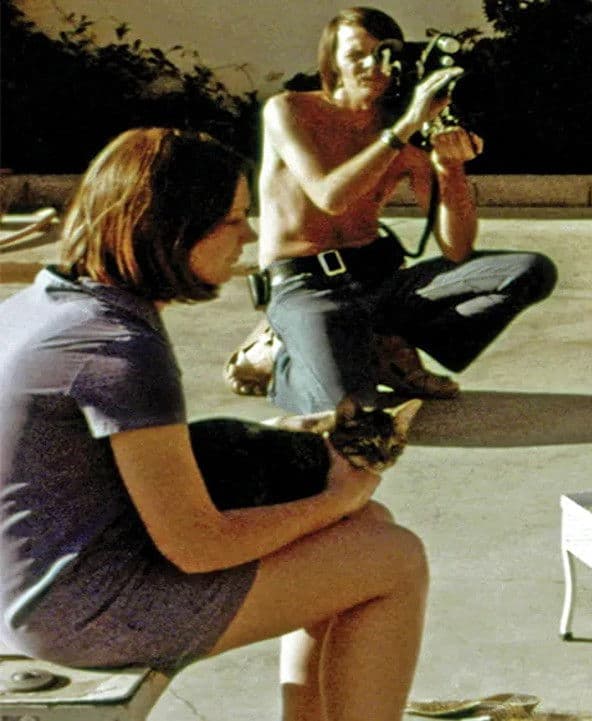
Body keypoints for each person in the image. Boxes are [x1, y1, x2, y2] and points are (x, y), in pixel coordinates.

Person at [0, 128, 428, 721]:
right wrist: (339, 495)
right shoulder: (119, 346)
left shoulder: (46, 303)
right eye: (232, 219)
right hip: (76, 614)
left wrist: (277, 442)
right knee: (394, 558)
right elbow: (197, 546)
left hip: (29, 589)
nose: (249, 235)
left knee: (364, 530)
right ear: (172, 230)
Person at [231, 6, 557, 412]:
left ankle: (382, 347)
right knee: (349, 408)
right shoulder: (291, 110)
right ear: (332, 61)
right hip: (306, 285)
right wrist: (404, 128)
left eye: (382, 54)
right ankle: (278, 354)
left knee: (530, 270)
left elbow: (456, 248)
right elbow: (330, 196)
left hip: (378, 281)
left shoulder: (401, 129)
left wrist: (450, 169)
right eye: (355, 55)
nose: (371, 66)